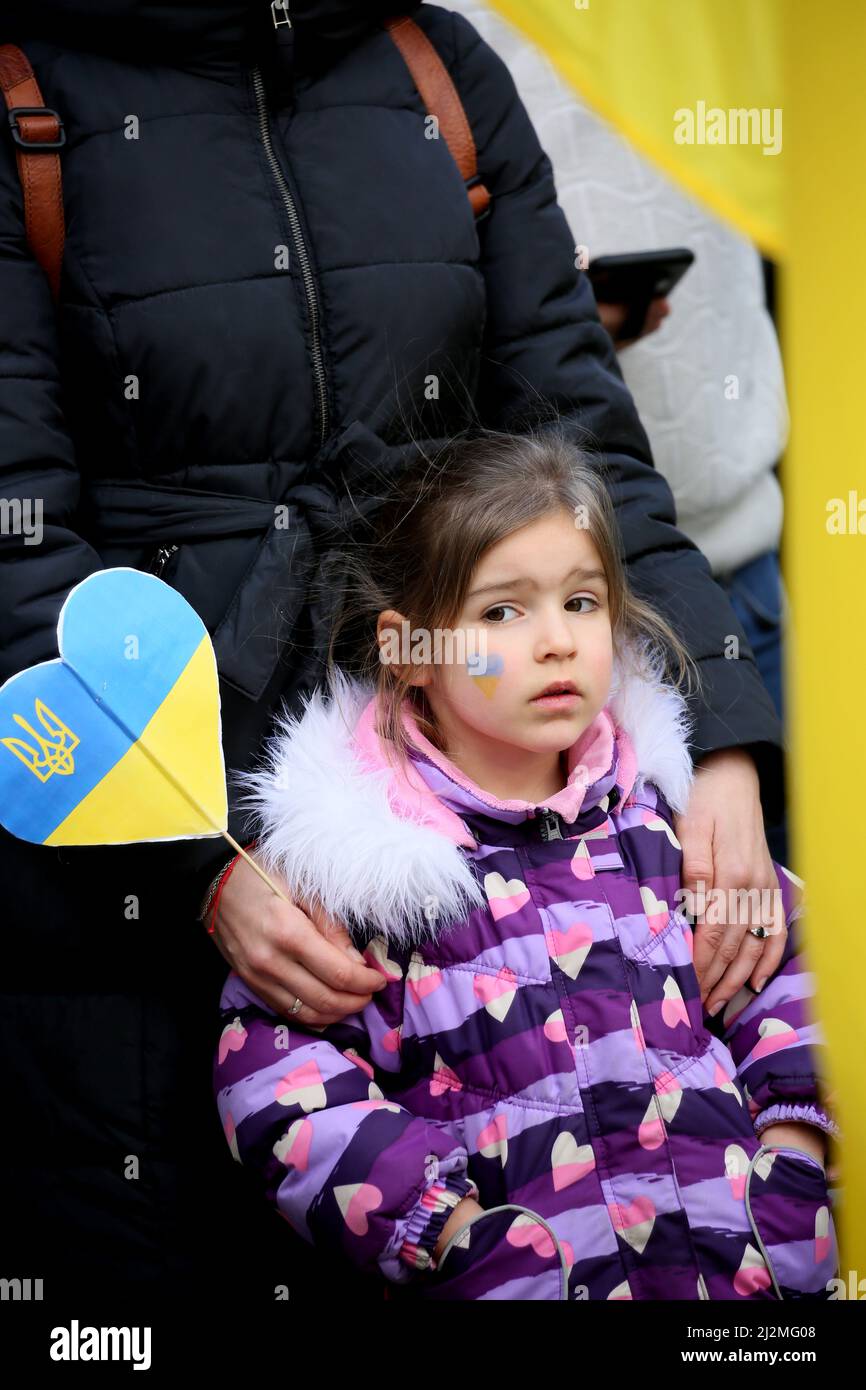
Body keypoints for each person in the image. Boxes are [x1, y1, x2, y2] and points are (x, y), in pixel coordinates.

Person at [0, 0, 788, 1302]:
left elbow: (579, 433)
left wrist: (718, 743)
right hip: (134, 884)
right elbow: (16, 541)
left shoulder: (436, 60)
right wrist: (199, 859)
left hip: (457, 839)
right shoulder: (27, 92)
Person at [214, 430, 839, 1300]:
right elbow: (276, 1069)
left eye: (581, 602)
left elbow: (796, 965)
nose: (556, 641)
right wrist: (449, 1229)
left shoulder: (668, 827)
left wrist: (795, 1153)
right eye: (502, 612)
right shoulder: (370, 877)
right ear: (408, 652)